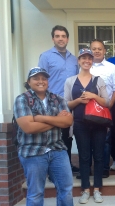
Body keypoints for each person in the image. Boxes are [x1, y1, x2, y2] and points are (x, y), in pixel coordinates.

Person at [14, 67, 89, 206]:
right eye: (36, 78)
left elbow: (67, 122)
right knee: (35, 193)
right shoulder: (22, 99)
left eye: (43, 78)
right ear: (29, 82)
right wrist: (55, 120)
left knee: (65, 188)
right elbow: (28, 128)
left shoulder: (57, 98)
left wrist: (39, 118)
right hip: (33, 152)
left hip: (57, 150)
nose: (41, 81)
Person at [64, 48, 109, 204]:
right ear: (78, 60)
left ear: (92, 61)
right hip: (80, 123)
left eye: (89, 58)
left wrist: (93, 96)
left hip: (98, 123)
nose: (86, 61)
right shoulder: (70, 81)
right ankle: (85, 189)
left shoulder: (98, 80)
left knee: (98, 156)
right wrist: (79, 101)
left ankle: (96, 189)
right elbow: (66, 104)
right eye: (83, 58)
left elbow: (106, 102)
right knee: (84, 157)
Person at [38, 25, 80, 174]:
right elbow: (40, 80)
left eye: (63, 36)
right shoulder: (46, 56)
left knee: (67, 137)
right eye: (57, 36)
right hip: (52, 103)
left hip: (69, 103)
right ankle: (52, 170)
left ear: (67, 39)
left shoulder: (74, 59)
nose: (61, 39)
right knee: (52, 136)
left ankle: (67, 165)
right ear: (53, 38)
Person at [89, 39, 115, 174]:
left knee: (105, 140)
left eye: (99, 49)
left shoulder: (111, 67)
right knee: (89, 139)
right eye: (94, 49)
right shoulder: (85, 66)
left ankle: (103, 168)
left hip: (106, 109)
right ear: (91, 50)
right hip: (87, 110)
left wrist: (109, 106)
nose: (97, 51)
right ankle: (90, 168)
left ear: (104, 51)